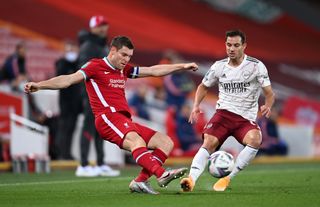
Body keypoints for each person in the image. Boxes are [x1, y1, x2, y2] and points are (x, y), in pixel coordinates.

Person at [24, 35, 198, 194]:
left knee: (165, 142)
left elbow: (152, 70)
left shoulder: (124, 70)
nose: (126, 59)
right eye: (123, 55)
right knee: (136, 141)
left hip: (123, 119)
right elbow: (68, 80)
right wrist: (40, 85)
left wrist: (181, 67)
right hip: (107, 117)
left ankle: (140, 182)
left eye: (129, 56)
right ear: (113, 50)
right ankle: (161, 174)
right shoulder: (95, 66)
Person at [180, 29, 275, 192]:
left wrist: (268, 105)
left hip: (245, 119)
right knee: (208, 142)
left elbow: (269, 93)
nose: (231, 49)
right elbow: (203, 86)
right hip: (223, 114)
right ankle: (191, 179)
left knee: (255, 140)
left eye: (236, 45)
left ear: (244, 46)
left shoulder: (256, 66)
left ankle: (226, 179)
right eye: (229, 45)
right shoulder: (219, 66)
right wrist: (196, 105)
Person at [76, 15, 118, 177]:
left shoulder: (100, 45)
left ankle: (100, 163)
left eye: (105, 25)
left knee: (101, 129)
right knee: (88, 127)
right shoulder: (89, 46)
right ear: (92, 28)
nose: (103, 28)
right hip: (91, 95)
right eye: (100, 26)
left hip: (101, 94)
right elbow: (83, 73)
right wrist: (87, 95)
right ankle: (83, 165)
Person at [55, 41, 82, 160]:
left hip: (75, 104)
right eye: (69, 50)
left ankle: (68, 153)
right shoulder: (62, 63)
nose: (72, 53)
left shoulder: (78, 64)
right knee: (64, 129)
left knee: (71, 129)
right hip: (65, 104)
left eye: (73, 50)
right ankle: (61, 153)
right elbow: (60, 73)